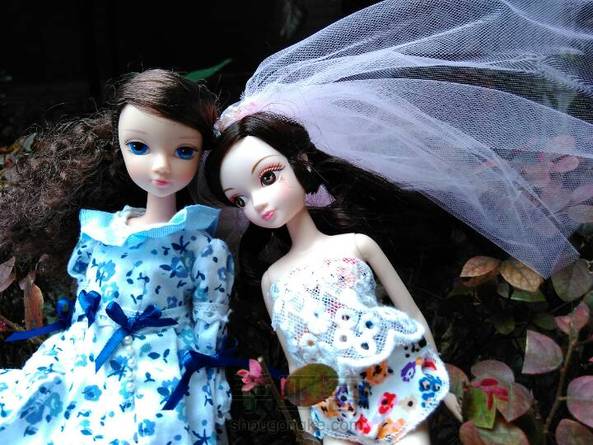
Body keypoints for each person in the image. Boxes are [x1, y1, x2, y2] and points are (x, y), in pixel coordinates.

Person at [0, 69, 234, 444]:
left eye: (183, 151)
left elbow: (210, 325)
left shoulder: (201, 247)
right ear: (118, 146)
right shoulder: (100, 232)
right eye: (139, 147)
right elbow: (85, 308)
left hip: (163, 371)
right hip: (93, 362)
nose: (161, 166)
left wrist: (210, 380)